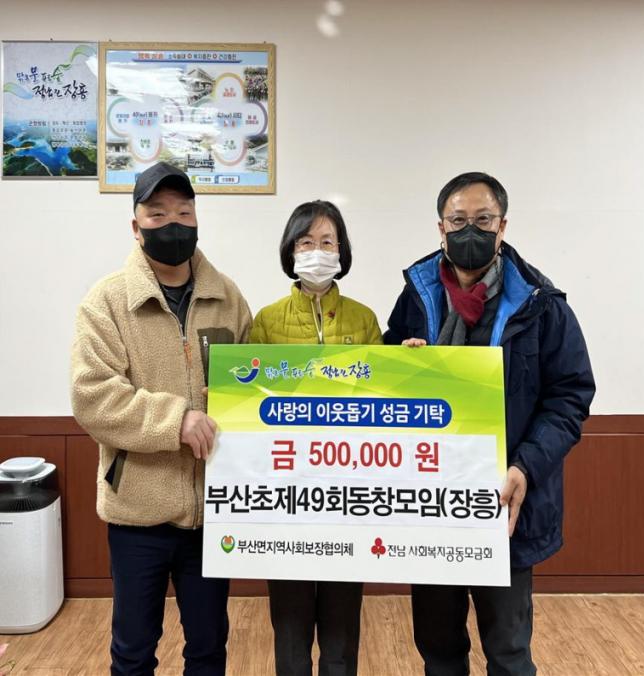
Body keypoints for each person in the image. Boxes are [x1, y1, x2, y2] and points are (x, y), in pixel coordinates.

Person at [384, 172, 595, 675]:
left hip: (505, 505)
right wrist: (401, 365)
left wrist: (526, 467)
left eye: (483, 220)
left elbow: (569, 398)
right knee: (438, 649)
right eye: (458, 220)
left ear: (502, 227)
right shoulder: (416, 296)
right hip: (432, 506)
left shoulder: (541, 303)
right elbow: (385, 380)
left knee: (508, 652)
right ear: (441, 228)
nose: (470, 231)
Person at [71, 162, 252, 675]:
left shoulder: (228, 299)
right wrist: (176, 421)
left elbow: (255, 385)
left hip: (213, 509)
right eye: (158, 214)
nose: (173, 223)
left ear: (197, 219)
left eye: (184, 212)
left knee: (209, 647)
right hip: (138, 514)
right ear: (136, 226)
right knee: (133, 651)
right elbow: (92, 397)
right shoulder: (107, 302)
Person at [250, 200, 382, 676]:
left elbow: (383, 400)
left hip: (347, 495)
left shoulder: (364, 320)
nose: (317, 252)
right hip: (286, 495)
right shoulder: (266, 321)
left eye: (328, 242)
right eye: (307, 242)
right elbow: (249, 404)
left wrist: (412, 363)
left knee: (342, 624)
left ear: (342, 251)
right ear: (291, 251)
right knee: (290, 623)